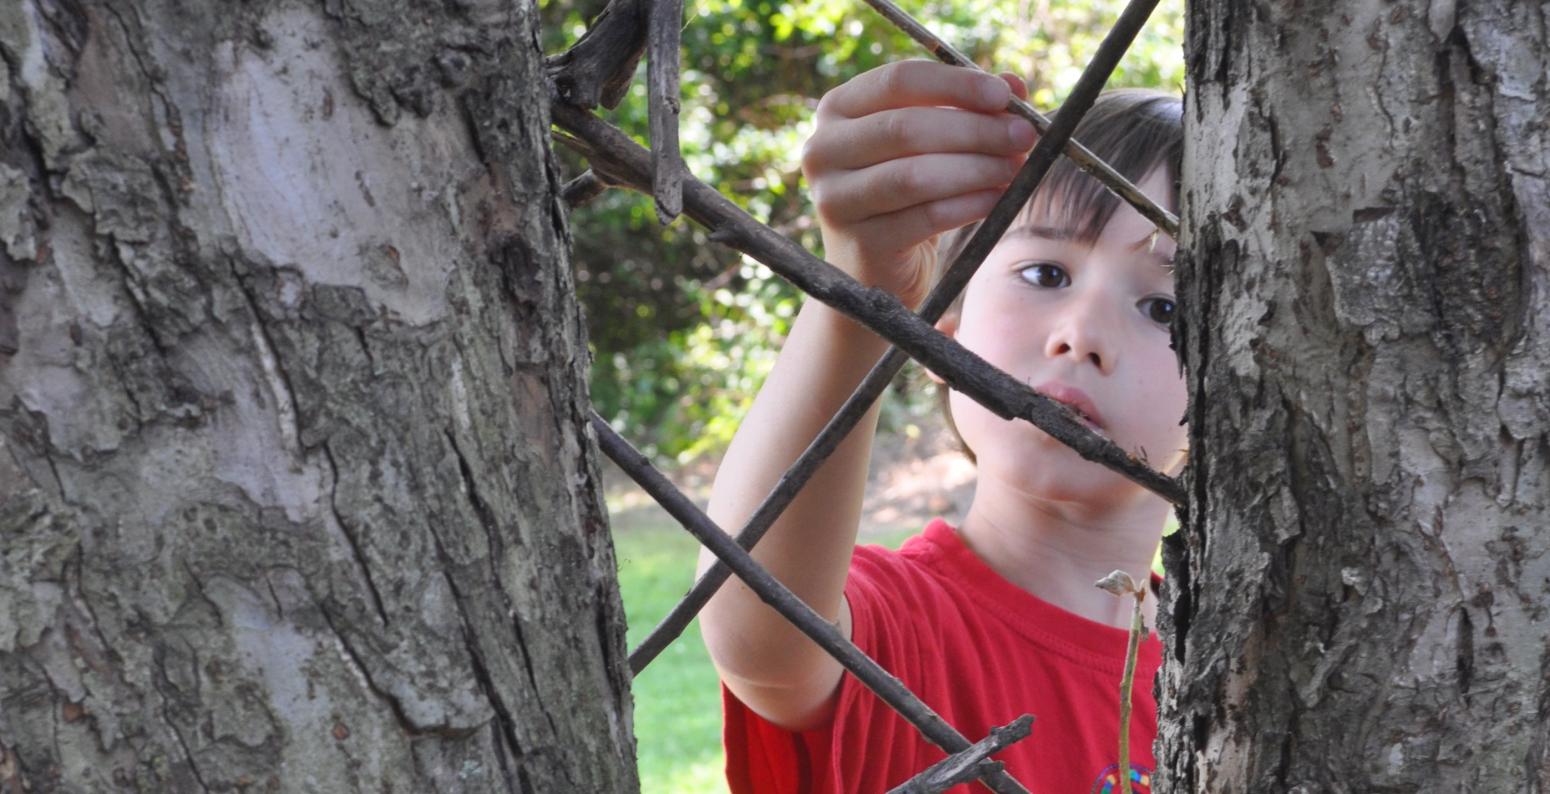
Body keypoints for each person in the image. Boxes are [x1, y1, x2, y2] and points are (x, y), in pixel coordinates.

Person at [699, 59, 1187, 793]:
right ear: (944, 325)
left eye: (1164, 309)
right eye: (1046, 274)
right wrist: (862, 296)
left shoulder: (1237, 674)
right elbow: (757, 629)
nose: (1080, 335)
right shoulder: (899, 626)